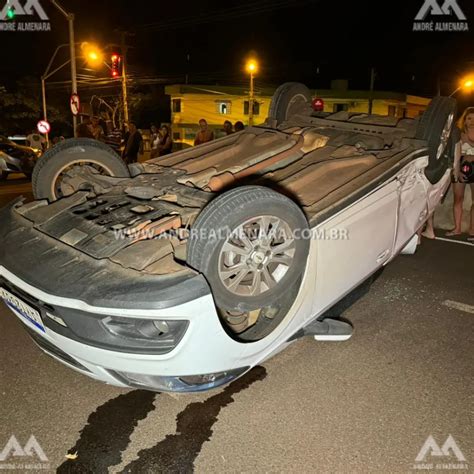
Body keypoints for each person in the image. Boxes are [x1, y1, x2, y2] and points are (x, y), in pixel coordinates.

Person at [447, 106, 474, 237]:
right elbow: (456, 154)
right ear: (464, 120)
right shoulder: (459, 134)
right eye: (469, 118)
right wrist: (457, 171)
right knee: (458, 198)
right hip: (461, 168)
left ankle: (472, 229)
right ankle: (457, 228)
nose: (472, 121)